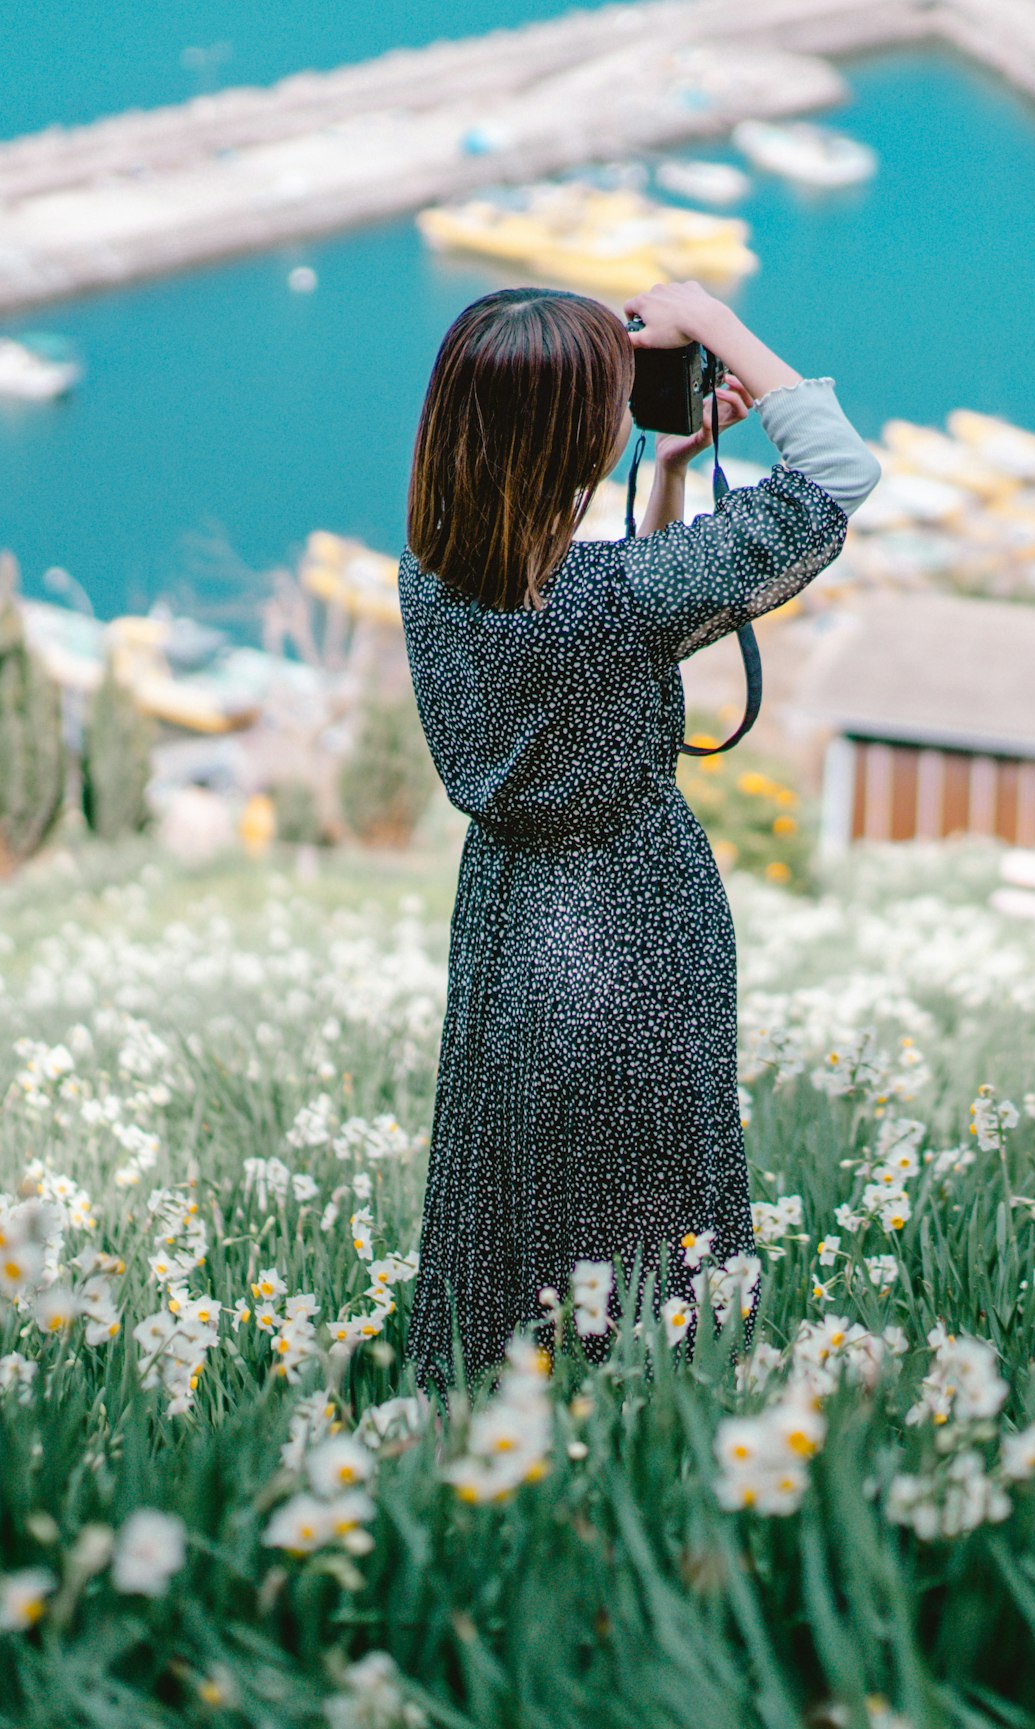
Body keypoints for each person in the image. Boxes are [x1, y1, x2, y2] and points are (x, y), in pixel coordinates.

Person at [397, 279, 881, 1385]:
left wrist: (662, 474)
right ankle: (654, 1402)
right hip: (632, 912)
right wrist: (714, 321)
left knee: (517, 1174)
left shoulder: (430, 577)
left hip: (511, 914)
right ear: (574, 434)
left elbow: (607, 647)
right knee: (655, 1187)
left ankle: (501, 1392)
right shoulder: (611, 596)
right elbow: (841, 474)